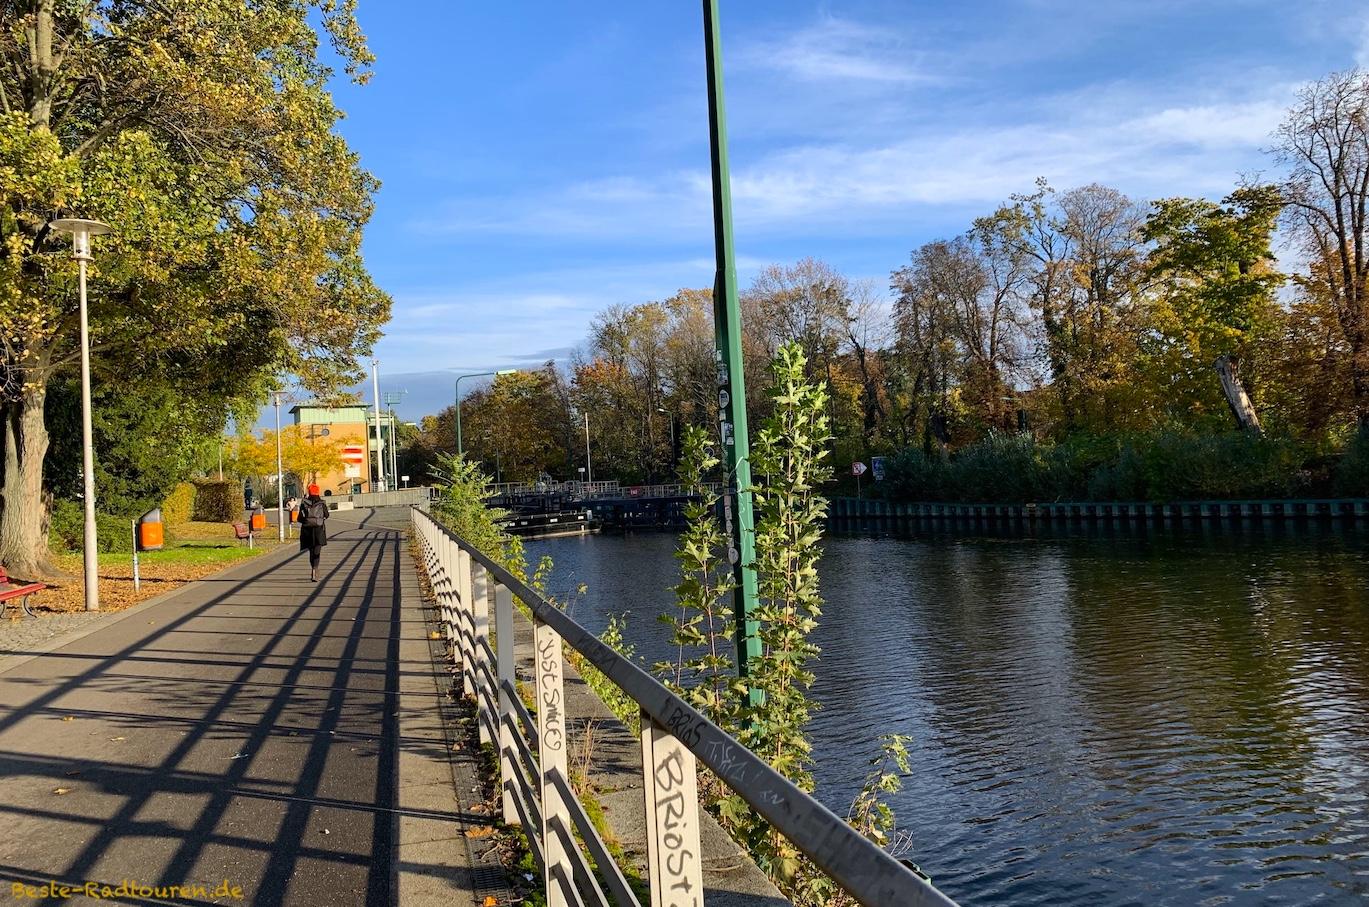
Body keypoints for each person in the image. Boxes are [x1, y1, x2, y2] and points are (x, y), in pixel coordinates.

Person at [297, 483, 329, 582]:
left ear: (309, 492)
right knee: (317, 551)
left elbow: (299, 518)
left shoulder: (304, 503)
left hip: (307, 530)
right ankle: (315, 569)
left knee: (311, 551)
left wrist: (306, 521)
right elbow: (327, 515)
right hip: (319, 530)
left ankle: (313, 570)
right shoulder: (322, 503)